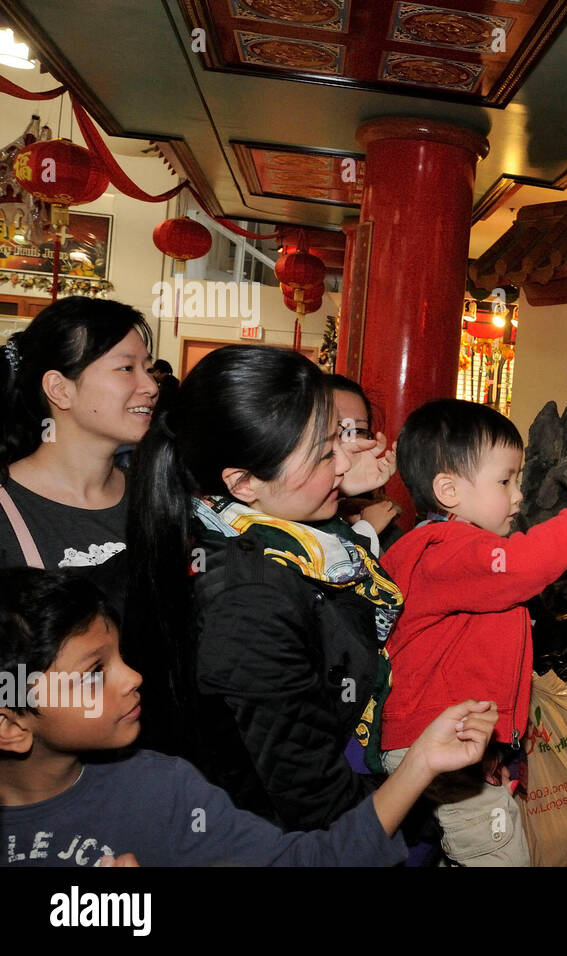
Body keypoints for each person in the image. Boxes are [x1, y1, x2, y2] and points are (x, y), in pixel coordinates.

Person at [0, 566, 499, 867]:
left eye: (118, 656)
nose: (131, 677)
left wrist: (419, 765)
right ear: (10, 724)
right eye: (93, 673)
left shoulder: (162, 790)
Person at [125, 345, 404, 830]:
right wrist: (421, 784)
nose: (343, 464)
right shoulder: (250, 597)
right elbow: (317, 801)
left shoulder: (254, 531)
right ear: (243, 482)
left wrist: (331, 489)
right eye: (324, 454)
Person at [381, 398, 567, 865]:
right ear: (447, 490)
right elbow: (524, 565)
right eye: (505, 480)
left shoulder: (446, 547)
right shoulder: (446, 548)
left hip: (452, 736)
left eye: (518, 479)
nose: (519, 494)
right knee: (497, 854)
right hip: (439, 739)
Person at [0, 298, 156, 614]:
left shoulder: (154, 497)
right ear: (59, 389)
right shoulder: (7, 509)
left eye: (148, 369)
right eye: (126, 368)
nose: (151, 386)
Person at [325, 373, 401, 555]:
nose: (348, 441)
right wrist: (366, 531)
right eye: (333, 428)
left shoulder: (380, 518)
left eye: (357, 430)